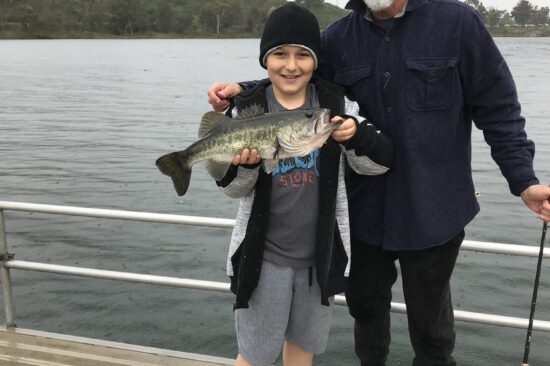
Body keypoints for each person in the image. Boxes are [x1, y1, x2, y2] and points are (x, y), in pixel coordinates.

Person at [208, 1, 550, 365]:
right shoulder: (337, 38)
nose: (290, 60)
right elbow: (294, 78)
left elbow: (499, 107)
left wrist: (523, 180)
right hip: (362, 215)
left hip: (436, 211)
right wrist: (241, 91)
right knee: (366, 319)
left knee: (432, 335)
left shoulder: (458, 22)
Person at [215, 3, 393, 366]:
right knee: (254, 354)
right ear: (265, 59)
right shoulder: (247, 107)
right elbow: (232, 189)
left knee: (301, 348)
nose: (291, 65)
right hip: (262, 261)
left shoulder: (335, 105)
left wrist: (354, 136)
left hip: (320, 261)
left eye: (303, 55)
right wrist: (246, 168)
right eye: (279, 54)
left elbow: (377, 166)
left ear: (315, 60)